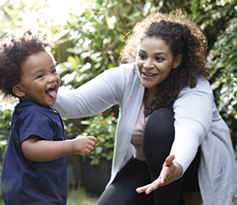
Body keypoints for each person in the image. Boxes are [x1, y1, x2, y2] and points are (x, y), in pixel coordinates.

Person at [55, 10, 237, 205]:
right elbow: (75, 103)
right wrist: (39, 87)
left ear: (176, 61)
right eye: (142, 56)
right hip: (145, 166)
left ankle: (181, 199)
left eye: (159, 59)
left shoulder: (194, 86)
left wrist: (175, 166)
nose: (147, 65)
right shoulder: (127, 77)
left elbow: (190, 132)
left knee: (160, 122)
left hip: (190, 170)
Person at [0, 29, 97, 205]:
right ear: (19, 90)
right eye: (40, 76)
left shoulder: (31, 108)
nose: (52, 79)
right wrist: (72, 145)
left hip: (33, 192)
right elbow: (31, 148)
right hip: (33, 196)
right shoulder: (34, 113)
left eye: (53, 71)